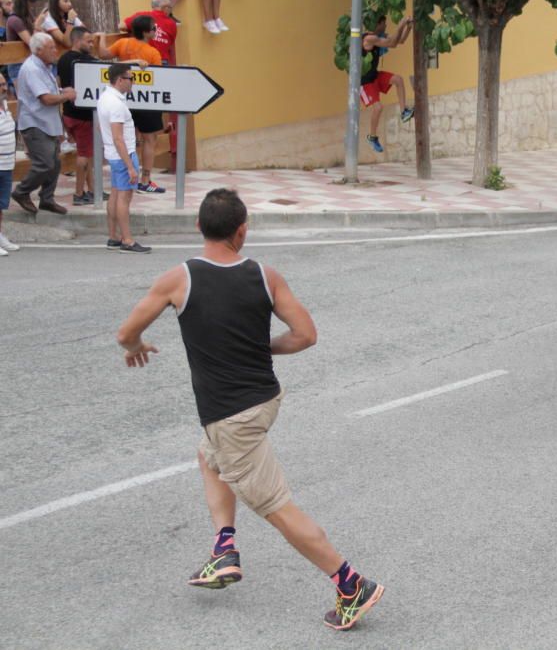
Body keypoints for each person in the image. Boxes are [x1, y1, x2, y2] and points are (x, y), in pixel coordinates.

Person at [115, 188, 384, 631]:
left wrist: (136, 346)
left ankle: (351, 584)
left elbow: (126, 333)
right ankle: (224, 548)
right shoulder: (265, 276)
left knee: (276, 506)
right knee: (208, 456)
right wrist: (263, 347)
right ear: (242, 231)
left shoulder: (177, 279)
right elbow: (305, 335)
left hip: (231, 416)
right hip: (262, 400)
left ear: (199, 228)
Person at [99, 16, 169, 194]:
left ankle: (131, 175)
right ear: (146, 32)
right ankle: (144, 180)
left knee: (130, 138)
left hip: (126, 99)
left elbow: (103, 55)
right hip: (147, 101)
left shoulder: (122, 43)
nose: (155, 31)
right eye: (153, 29)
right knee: (149, 140)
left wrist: (101, 38)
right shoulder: (153, 53)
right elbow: (159, 79)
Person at [10, 33, 73, 216]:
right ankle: (21, 192)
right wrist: (66, 96)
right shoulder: (32, 69)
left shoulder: (44, 67)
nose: (55, 50)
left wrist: (61, 91)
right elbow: (45, 98)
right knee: (44, 163)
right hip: (35, 122)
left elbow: (48, 91)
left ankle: (47, 198)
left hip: (47, 122)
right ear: (38, 50)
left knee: (55, 163)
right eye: (51, 47)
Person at [98, 64, 150, 253]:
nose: (133, 82)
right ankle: (127, 240)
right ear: (120, 80)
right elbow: (118, 138)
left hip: (114, 155)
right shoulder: (116, 104)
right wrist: (130, 166)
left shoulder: (105, 97)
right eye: (130, 78)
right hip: (123, 155)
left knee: (115, 194)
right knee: (124, 198)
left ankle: (113, 237)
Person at [57, 26, 103, 205]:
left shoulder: (62, 60)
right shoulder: (87, 61)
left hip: (68, 114)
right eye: (88, 41)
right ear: (77, 41)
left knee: (88, 152)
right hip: (83, 117)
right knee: (84, 155)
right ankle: (78, 194)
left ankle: (93, 190)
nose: (91, 44)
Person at [361, 15, 414, 153]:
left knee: (398, 79)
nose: (385, 26)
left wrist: (408, 27)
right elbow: (391, 42)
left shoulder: (379, 36)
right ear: (377, 24)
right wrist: (401, 23)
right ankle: (372, 137)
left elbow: (398, 41)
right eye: (384, 24)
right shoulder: (368, 38)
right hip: (365, 83)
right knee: (378, 107)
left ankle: (404, 112)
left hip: (375, 75)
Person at [119, 0, 178, 65]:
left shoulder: (141, 16)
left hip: (141, 60)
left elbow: (121, 26)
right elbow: (170, 46)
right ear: (165, 8)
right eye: (170, 8)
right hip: (162, 61)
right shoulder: (172, 24)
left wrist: (134, 31)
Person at [5, 0, 40, 87]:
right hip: (18, 64)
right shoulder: (14, 19)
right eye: (31, 1)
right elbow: (32, 42)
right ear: (22, 2)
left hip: (30, 61)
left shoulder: (28, 16)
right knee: (25, 100)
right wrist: (38, 24)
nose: (33, 4)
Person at [0, 78, 18, 257]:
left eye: (5, 84)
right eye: (0, 85)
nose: (4, 88)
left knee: (1, 205)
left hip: (6, 164)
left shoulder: (5, 105)